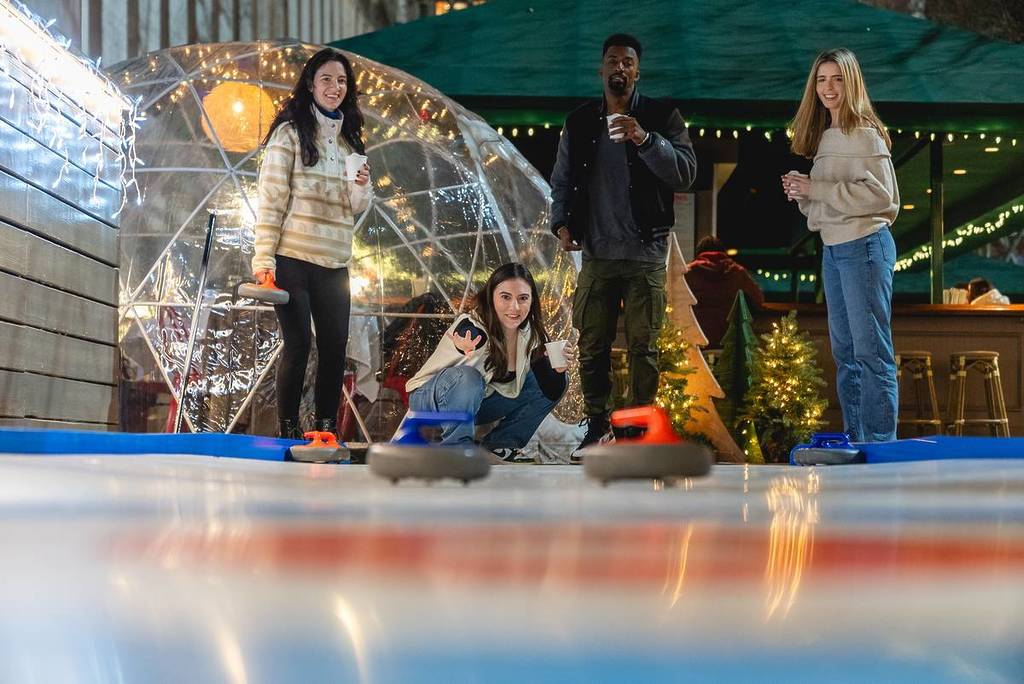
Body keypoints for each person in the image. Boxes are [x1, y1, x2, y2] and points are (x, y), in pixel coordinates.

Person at [549, 33, 697, 455]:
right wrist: (561, 222)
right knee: (591, 344)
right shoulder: (579, 121)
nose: (620, 68)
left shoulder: (661, 115)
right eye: (612, 61)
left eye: (627, 62)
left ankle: (636, 432)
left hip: (646, 253)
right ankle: (598, 427)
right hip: (596, 252)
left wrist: (645, 139)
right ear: (602, 69)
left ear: (637, 70)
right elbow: (561, 180)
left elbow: (685, 173)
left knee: (644, 349)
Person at [252, 48, 372, 439]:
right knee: (300, 344)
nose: (334, 87)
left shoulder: (350, 145)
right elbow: (271, 200)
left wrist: (361, 187)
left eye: (341, 81)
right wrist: (263, 258)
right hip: (293, 258)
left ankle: (324, 429)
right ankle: (287, 430)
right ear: (310, 84)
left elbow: (354, 209)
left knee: (335, 348)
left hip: (335, 262)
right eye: (326, 79)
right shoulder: (288, 135)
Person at [782, 48, 900, 443]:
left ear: (852, 83)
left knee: (870, 355)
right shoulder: (827, 137)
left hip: (864, 247)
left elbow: (884, 200)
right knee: (847, 357)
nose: (829, 88)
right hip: (834, 250)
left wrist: (816, 187)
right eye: (821, 80)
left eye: (837, 79)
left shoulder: (864, 134)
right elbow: (829, 206)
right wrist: (803, 193)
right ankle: (856, 441)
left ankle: (879, 445)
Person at [404, 263, 575, 463]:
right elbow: (465, 333)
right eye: (505, 297)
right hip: (429, 398)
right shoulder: (474, 325)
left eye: (523, 298)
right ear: (491, 296)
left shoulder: (529, 335)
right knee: (468, 377)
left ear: (532, 301)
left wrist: (557, 372)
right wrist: (463, 346)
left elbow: (546, 391)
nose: (515, 307)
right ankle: (456, 449)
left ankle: (500, 446)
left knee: (553, 380)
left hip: (477, 404)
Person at [684, 235, 765, 348]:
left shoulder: (688, 272)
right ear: (723, 252)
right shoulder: (737, 272)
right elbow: (758, 299)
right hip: (728, 340)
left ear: (698, 253)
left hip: (695, 339)